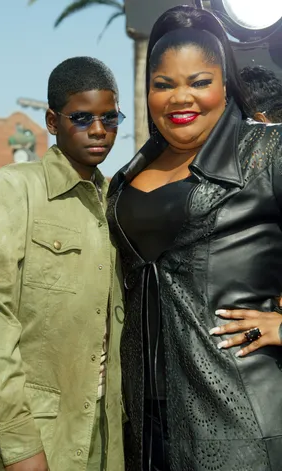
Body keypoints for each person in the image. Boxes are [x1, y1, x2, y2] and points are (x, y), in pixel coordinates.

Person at [107, 5, 282, 471]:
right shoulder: (126, 177)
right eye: (163, 85)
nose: (180, 98)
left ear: (225, 86)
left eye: (199, 82)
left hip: (241, 429)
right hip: (147, 433)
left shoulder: (267, 152)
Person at [0, 56, 126, 471]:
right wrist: (19, 444)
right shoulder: (13, 189)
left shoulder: (118, 203)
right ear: (52, 122)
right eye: (82, 117)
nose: (98, 130)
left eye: (110, 118)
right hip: (28, 440)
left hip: (103, 437)